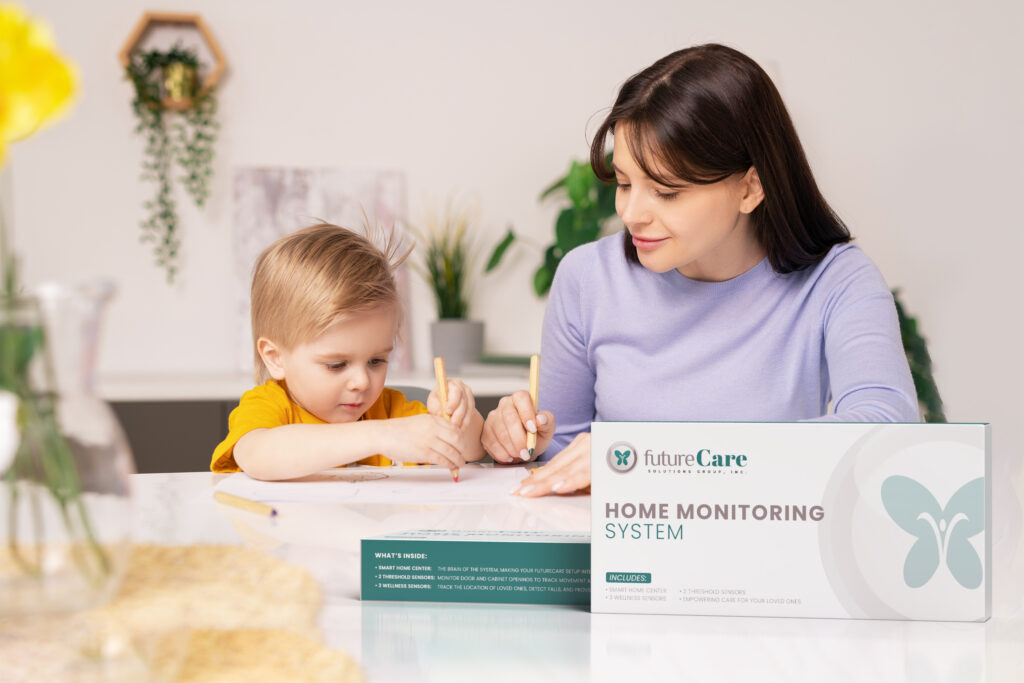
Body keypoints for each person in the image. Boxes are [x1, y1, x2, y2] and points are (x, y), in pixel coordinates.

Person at [482, 44, 919, 496]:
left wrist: (650, 458)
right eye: (625, 183)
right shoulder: (587, 278)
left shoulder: (836, 281)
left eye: (666, 192)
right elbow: (564, 456)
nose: (632, 214)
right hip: (627, 556)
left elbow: (885, 425)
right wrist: (519, 443)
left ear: (751, 187)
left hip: (762, 549)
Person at [211, 223, 485, 480]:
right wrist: (380, 436)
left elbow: (472, 450)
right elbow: (257, 455)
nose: (363, 382)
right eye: (337, 365)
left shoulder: (390, 410)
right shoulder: (269, 405)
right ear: (275, 357)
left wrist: (460, 417)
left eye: (376, 360)